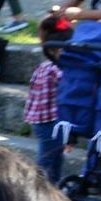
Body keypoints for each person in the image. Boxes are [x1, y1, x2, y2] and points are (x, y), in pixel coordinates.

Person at [26, 16, 68, 183]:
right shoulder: (56, 70)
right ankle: (33, 188)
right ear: (52, 50)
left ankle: (53, 187)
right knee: (47, 158)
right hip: (48, 121)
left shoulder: (44, 66)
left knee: (56, 155)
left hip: (41, 120)